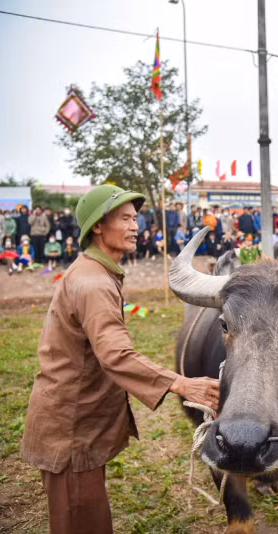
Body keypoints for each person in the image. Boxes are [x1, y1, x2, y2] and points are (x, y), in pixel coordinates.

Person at [20, 185, 219, 534]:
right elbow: (115, 355)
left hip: (76, 423)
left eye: (136, 219)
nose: (135, 226)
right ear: (98, 226)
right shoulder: (94, 283)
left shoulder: (95, 273)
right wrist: (181, 383)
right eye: (125, 219)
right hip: (70, 430)